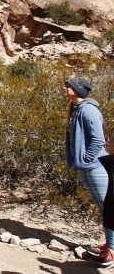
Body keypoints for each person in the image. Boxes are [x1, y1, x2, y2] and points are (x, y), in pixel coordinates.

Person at [64, 76, 113, 265]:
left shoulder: (89, 110)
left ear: (77, 90)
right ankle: (109, 244)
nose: (64, 89)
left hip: (96, 165)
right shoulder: (76, 110)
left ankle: (112, 251)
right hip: (85, 166)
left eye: (68, 86)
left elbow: (98, 140)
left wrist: (86, 158)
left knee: (109, 209)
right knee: (103, 208)